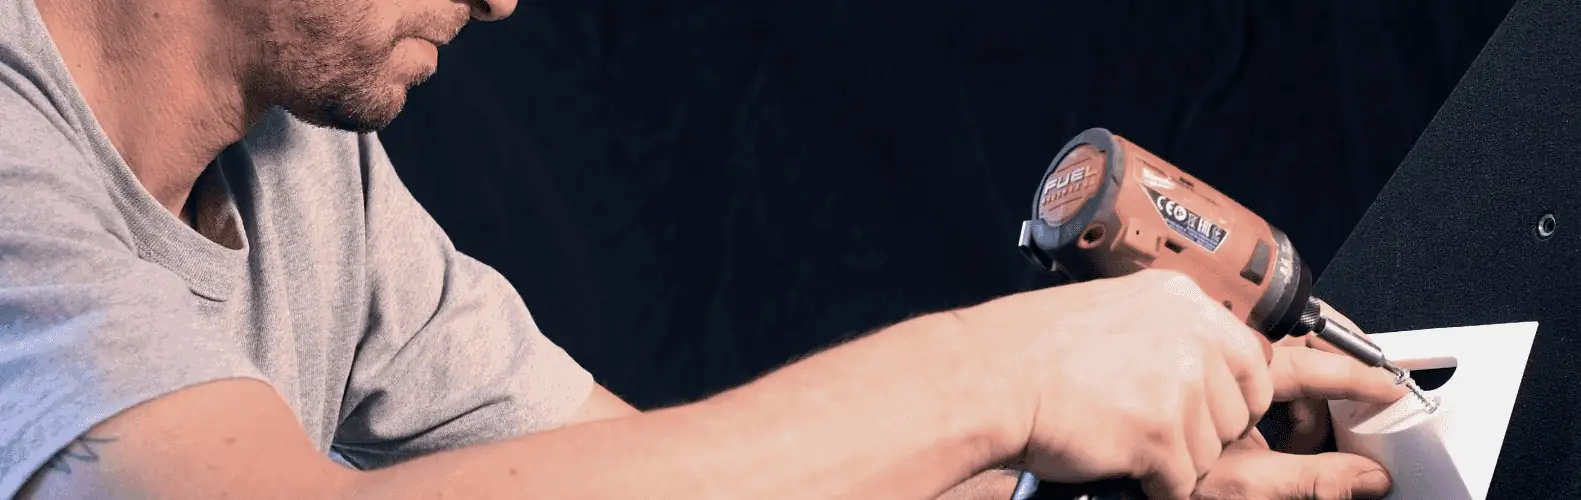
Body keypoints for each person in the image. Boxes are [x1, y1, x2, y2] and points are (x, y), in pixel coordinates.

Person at [0, 0, 1408, 498]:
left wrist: (1072, 479)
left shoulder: (311, 173)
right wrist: (1007, 377)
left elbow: (642, 475)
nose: (501, 0)